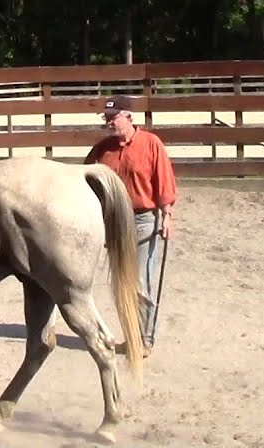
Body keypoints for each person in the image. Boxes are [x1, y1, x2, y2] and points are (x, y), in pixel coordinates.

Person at [83, 94, 178, 358]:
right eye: (107, 118)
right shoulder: (102, 150)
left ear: (128, 117)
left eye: (113, 118)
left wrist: (167, 215)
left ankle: (144, 340)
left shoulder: (150, 144)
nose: (109, 123)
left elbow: (164, 180)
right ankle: (132, 337)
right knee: (121, 281)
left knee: (139, 281)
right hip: (112, 219)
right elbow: (84, 178)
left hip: (143, 218)